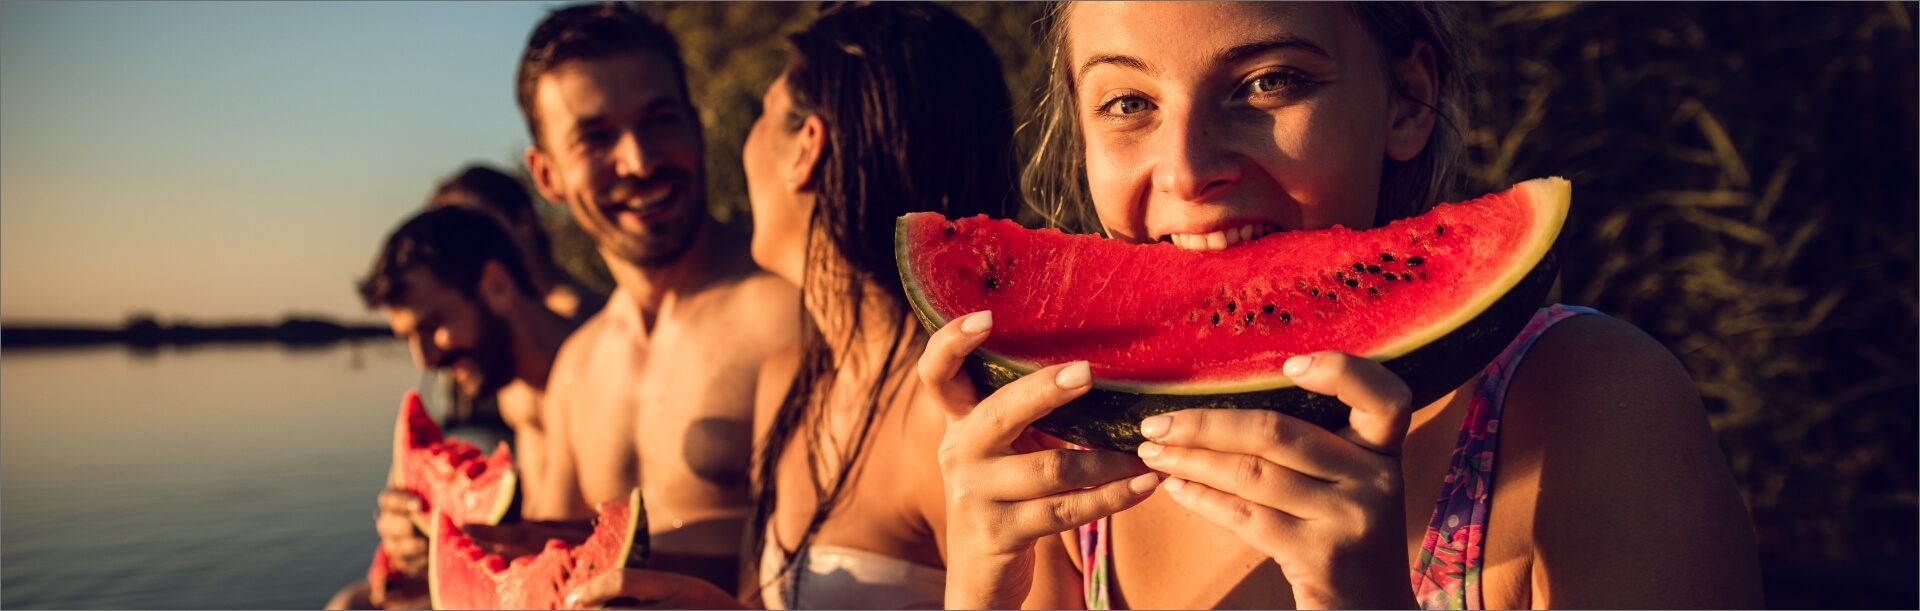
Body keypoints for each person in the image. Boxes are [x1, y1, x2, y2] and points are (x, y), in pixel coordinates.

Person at [924, 2, 1766, 609]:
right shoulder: (1068, 442)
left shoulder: (1597, 403)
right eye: (1130, 103)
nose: (1184, 170)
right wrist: (983, 590)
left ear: (1407, 98)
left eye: (1267, 82)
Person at [561, 3, 1020, 609]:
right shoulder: (786, 383)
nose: (746, 145)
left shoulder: (949, 419)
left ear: (806, 149)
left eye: (761, 115)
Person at [513, 1, 800, 593]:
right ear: (548, 177)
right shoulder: (577, 364)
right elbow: (546, 562)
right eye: (595, 137)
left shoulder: (793, 311)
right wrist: (454, 534)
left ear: (696, 127)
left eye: (660, 119)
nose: (640, 160)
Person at [326, 206, 577, 610]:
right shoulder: (515, 392)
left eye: (431, 325)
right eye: (407, 337)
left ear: (497, 286)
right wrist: (428, 541)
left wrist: (457, 544)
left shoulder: (592, 375)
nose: (423, 359)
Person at [426, 163, 608, 324]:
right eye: (455, 241)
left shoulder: (577, 321)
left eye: (476, 229)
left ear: (523, 221)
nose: (467, 248)